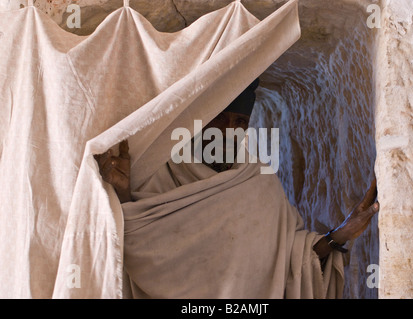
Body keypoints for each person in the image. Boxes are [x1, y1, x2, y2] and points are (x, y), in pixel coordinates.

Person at [94, 79, 379, 298]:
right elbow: (133, 249)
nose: (228, 130)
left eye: (239, 122)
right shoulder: (158, 174)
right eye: (219, 118)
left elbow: (288, 260)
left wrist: (342, 232)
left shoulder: (258, 180)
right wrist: (121, 193)